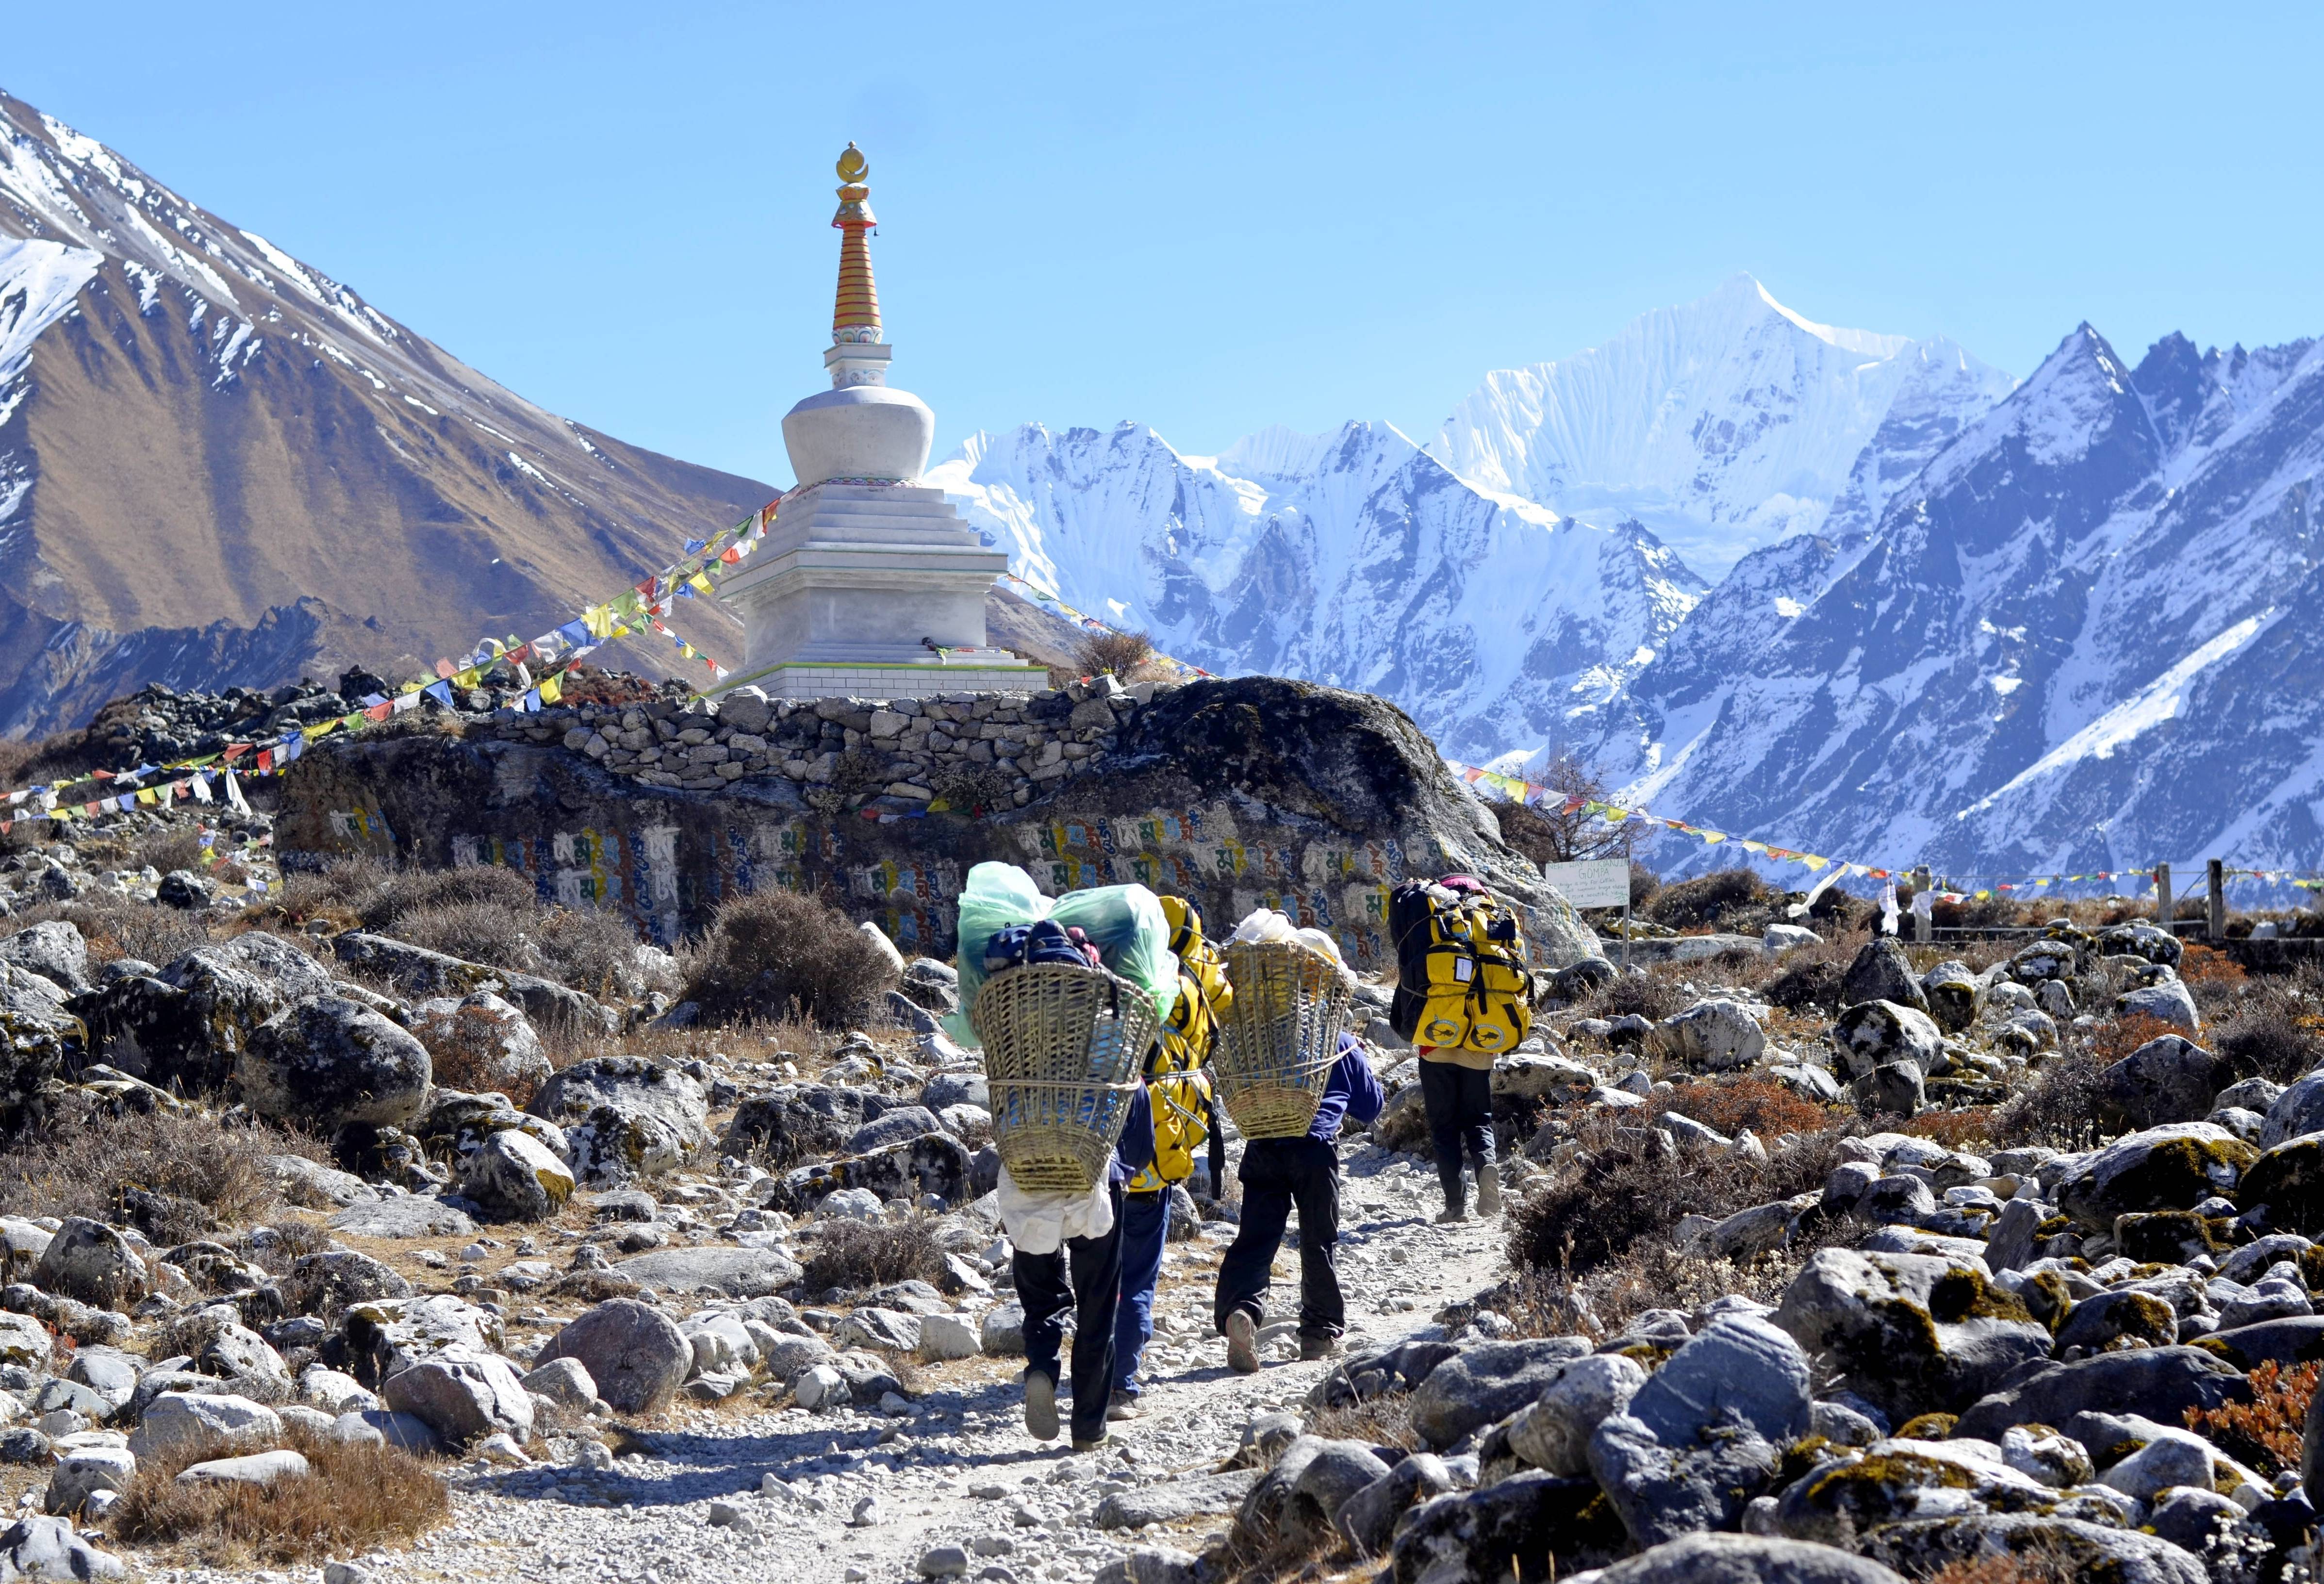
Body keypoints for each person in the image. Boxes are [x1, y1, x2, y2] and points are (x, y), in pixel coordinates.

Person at [1108, 896, 1230, 1420]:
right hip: (1154, 1162)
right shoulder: (1186, 986)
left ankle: (1083, 1371)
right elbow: (1208, 1042)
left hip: (1095, 1161)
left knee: (1097, 1276)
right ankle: (1122, 1386)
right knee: (1138, 1276)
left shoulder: (1102, 980)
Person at [1214, 1030, 1385, 1370]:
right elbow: (1370, 1108)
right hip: (1315, 1150)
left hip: (1262, 1146)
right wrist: (1357, 1060)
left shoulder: (1258, 1038)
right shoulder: (1340, 1042)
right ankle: (1317, 1337)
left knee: (1256, 1240)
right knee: (1316, 1240)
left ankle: (1242, 1310)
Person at [1010, 1084, 1153, 1452]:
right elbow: (1140, 1151)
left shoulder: (1019, 1071)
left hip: (1028, 1188)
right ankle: (1089, 1429)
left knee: (1041, 1297)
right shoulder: (1120, 1070)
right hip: (1097, 1192)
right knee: (1097, 1308)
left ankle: (1042, 1367)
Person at [1394, 874, 1527, 1223]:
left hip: (1437, 1039)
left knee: (1443, 1126)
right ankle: (1486, 1168)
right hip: (1482, 1037)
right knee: (1478, 1118)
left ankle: (1455, 1206)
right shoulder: (1495, 921)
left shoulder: (1438, 919)